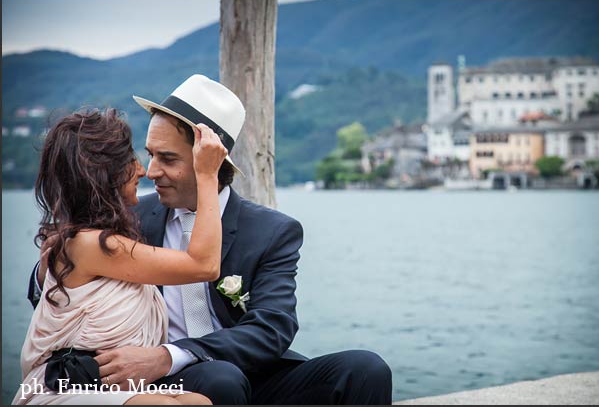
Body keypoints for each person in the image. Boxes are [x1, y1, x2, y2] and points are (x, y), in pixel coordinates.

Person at [29, 75, 393, 404]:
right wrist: (48, 264)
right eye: (151, 154)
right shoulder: (129, 218)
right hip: (160, 384)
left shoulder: (273, 231)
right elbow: (61, 283)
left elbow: (272, 328)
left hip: (231, 372)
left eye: (168, 159)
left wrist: (170, 354)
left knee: (365, 369)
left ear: (210, 162)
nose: (151, 171)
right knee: (219, 379)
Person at [16, 107, 227, 405]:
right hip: (65, 386)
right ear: (106, 174)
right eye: (132, 159)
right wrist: (207, 174)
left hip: (111, 386)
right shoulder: (89, 245)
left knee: (199, 402)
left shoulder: (93, 238)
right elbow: (204, 265)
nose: (143, 170)